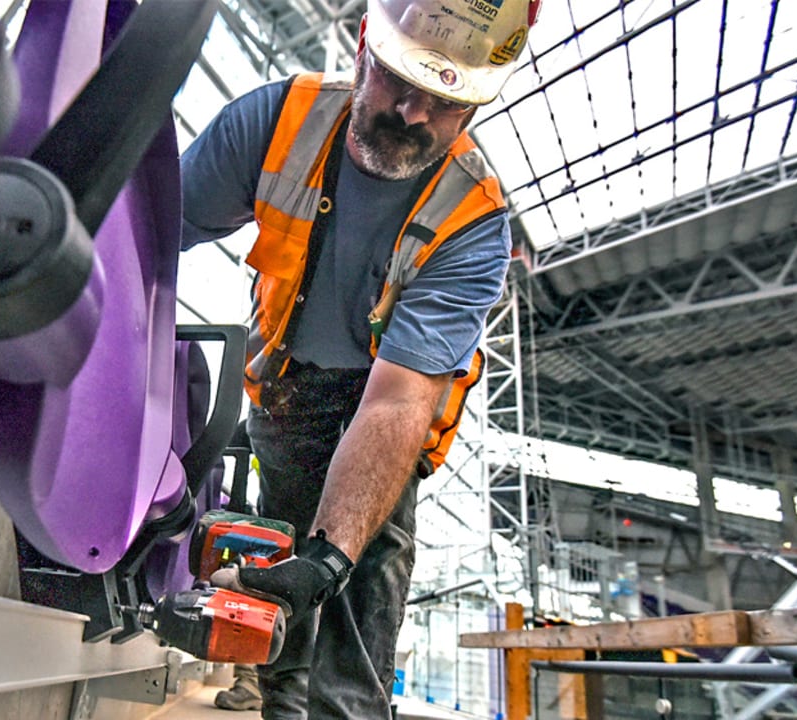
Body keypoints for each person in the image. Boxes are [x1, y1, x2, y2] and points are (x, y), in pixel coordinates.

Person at [181, 0, 541, 717]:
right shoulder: (277, 123)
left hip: (380, 407)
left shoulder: (472, 220)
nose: (412, 114)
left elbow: (399, 400)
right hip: (286, 392)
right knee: (282, 576)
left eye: (445, 103)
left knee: (359, 580)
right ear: (362, 48)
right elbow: (145, 231)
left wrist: (333, 554)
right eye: (399, 82)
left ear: (474, 106)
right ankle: (280, 701)